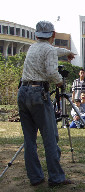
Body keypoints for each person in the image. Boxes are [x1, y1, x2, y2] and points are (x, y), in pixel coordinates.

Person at [18, 21, 74, 187]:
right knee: (50, 138)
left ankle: (35, 178)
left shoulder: (33, 47)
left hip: (23, 91)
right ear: (54, 35)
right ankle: (56, 178)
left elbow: (53, 51)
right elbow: (51, 72)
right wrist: (59, 82)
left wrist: (67, 52)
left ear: (36, 35)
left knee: (29, 140)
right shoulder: (48, 49)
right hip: (38, 94)